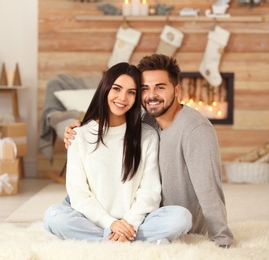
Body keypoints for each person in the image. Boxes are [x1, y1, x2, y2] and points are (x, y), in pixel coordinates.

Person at [64, 54, 234, 248]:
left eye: (160, 87)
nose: (152, 95)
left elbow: (209, 190)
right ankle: (113, 233)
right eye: (144, 89)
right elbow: (111, 117)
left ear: (176, 90)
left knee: (180, 217)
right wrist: (76, 130)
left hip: (166, 218)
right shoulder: (145, 119)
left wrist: (222, 240)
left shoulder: (196, 130)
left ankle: (109, 235)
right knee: (64, 206)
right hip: (138, 214)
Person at [44, 62, 192, 244]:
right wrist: (111, 223)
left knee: (182, 217)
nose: (123, 98)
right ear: (105, 89)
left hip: (135, 222)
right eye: (117, 89)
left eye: (131, 92)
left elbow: (150, 192)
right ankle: (128, 240)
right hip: (93, 220)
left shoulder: (147, 136)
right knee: (53, 216)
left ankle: (106, 240)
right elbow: (78, 194)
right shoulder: (79, 135)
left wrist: (129, 223)